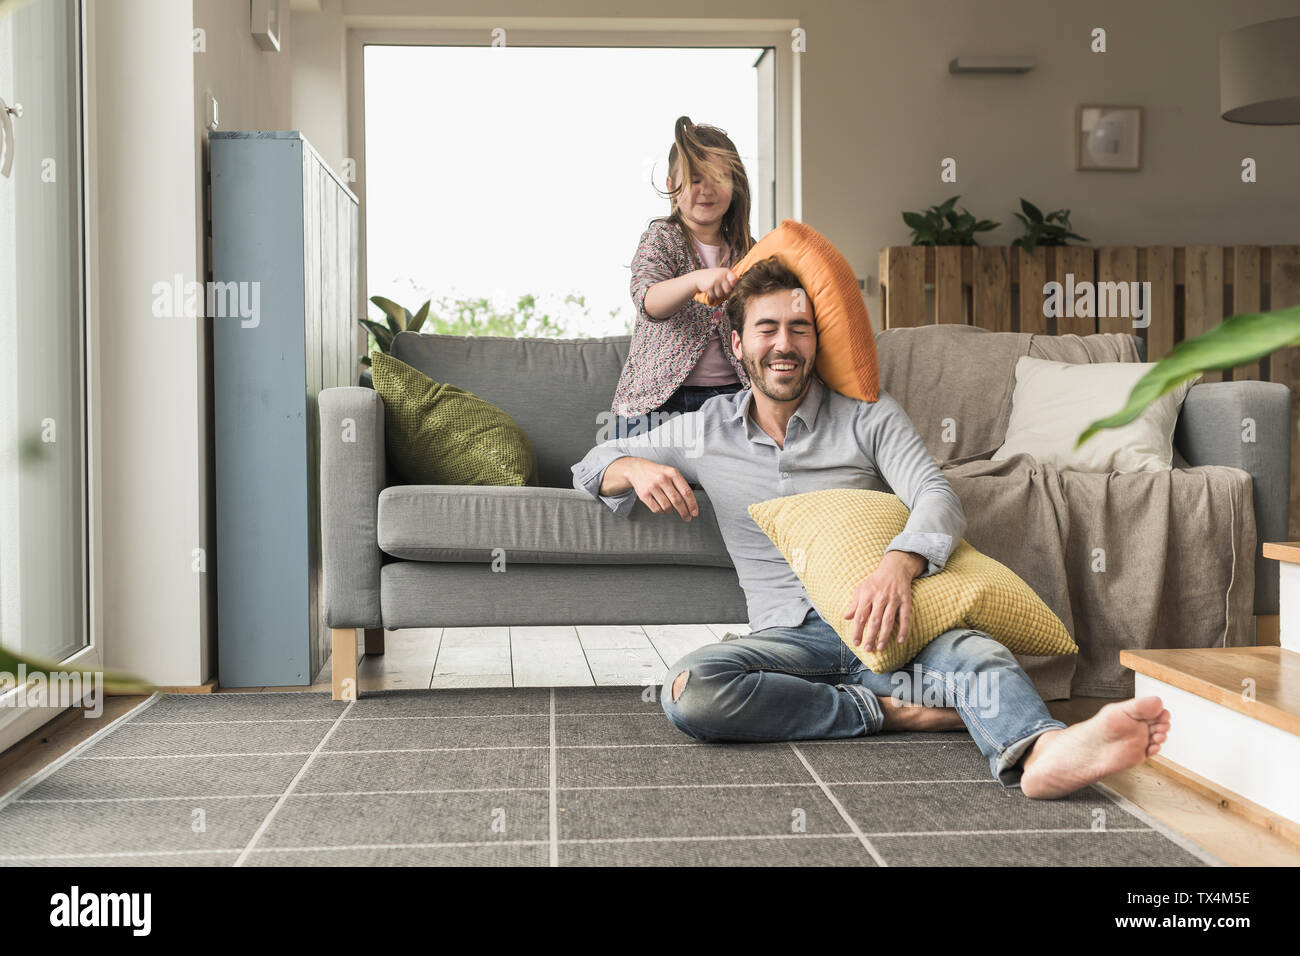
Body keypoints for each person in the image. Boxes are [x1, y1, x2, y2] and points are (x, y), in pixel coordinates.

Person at [573, 255, 1172, 799]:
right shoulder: (707, 431)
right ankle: (891, 713)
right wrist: (630, 464)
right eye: (768, 328)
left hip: (889, 628)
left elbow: (935, 493)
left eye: (799, 328)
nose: (785, 344)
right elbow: (589, 464)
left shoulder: (868, 415)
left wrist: (899, 564)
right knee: (692, 690)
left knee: (976, 655)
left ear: (816, 339)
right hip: (788, 642)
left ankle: (1041, 750)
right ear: (738, 343)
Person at [610, 116, 756, 438]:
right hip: (659, 401)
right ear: (671, 185)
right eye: (695, 180)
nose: (706, 190)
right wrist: (695, 280)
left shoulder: (747, 251)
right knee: (636, 473)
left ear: (735, 185)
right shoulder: (662, 238)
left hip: (732, 396)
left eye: (718, 178)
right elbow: (648, 301)